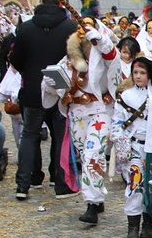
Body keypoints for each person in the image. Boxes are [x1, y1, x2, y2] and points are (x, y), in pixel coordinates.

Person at [43, 24, 121, 225]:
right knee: (83, 155)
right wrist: (51, 84)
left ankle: (92, 204)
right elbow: (55, 85)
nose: (87, 48)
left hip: (99, 112)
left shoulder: (103, 58)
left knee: (92, 155)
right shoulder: (68, 62)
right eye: (83, 45)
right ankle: (97, 194)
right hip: (77, 114)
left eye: (90, 44)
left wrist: (102, 41)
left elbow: (113, 59)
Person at [11, 0, 79, 201]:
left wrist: (31, 72)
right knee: (59, 136)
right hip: (60, 90)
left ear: (39, 1)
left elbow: (16, 61)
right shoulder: (71, 27)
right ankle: (59, 183)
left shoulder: (26, 28)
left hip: (33, 89)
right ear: (60, 1)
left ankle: (24, 184)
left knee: (29, 135)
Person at [112, 56, 152, 238]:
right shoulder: (125, 96)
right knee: (134, 185)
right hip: (134, 147)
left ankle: (149, 224)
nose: (138, 76)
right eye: (135, 73)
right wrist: (119, 141)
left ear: (150, 75)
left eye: (142, 73)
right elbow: (117, 121)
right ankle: (133, 226)